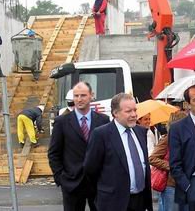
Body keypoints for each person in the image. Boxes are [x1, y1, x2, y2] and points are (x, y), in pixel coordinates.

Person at [84, 93, 153, 211]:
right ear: (115, 113)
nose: (134, 115)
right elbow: (90, 170)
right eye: (128, 111)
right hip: (113, 203)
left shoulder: (141, 132)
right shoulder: (101, 135)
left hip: (140, 201)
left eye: (135, 110)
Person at [48, 81, 110, 211]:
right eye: (76, 96)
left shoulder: (103, 120)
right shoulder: (61, 122)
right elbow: (54, 153)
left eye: (83, 95)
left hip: (98, 183)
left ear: (91, 96)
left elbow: (108, 151)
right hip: (72, 183)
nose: (79, 99)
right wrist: (61, 179)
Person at [149, 111, 189, 211]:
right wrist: (172, 166)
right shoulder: (167, 139)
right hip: (171, 185)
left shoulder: (187, 138)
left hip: (186, 183)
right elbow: (152, 158)